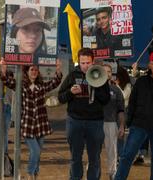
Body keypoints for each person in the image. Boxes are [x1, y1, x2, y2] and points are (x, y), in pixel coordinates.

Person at [0, 59, 62, 180]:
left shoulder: (41, 86)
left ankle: (35, 174)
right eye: (31, 69)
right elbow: (7, 81)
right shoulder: (21, 85)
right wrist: (3, 69)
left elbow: (55, 82)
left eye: (36, 70)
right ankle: (29, 173)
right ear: (27, 71)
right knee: (36, 151)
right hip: (27, 124)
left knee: (38, 152)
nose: (34, 72)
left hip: (41, 124)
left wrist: (58, 69)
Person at [58, 48, 110, 180]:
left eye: (88, 63)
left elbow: (106, 100)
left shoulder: (100, 75)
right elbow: (60, 97)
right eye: (82, 63)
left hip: (95, 122)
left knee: (94, 158)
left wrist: (96, 85)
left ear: (93, 62)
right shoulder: (72, 76)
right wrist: (71, 93)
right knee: (75, 157)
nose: (85, 66)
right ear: (79, 62)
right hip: (75, 121)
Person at [114, 51, 153, 180]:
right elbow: (132, 102)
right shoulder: (141, 82)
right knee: (127, 156)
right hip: (139, 125)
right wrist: (129, 122)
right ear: (149, 64)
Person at [102, 64, 125, 180]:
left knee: (112, 151)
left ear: (111, 74)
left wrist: (121, 125)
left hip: (111, 123)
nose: (107, 73)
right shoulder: (93, 87)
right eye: (104, 71)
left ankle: (113, 173)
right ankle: (91, 172)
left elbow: (121, 110)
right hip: (96, 123)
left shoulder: (116, 90)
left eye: (109, 71)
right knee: (93, 151)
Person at [115, 66, 132, 158]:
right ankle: (116, 155)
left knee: (120, 135)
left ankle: (120, 155)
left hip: (123, 111)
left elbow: (124, 96)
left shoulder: (128, 85)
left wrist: (116, 85)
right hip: (113, 111)